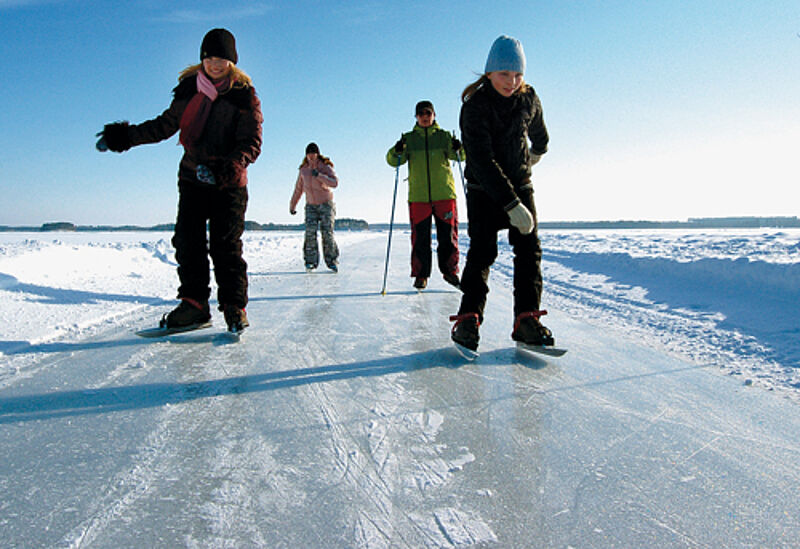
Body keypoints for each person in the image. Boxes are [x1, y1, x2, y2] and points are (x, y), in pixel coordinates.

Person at [96, 28, 262, 333]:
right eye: (209, 58)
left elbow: (251, 142)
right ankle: (195, 305)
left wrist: (228, 168)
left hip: (228, 183)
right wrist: (124, 137)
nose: (214, 64)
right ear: (202, 58)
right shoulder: (189, 90)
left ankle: (234, 307)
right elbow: (164, 126)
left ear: (231, 62)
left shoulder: (243, 95)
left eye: (221, 59)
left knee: (225, 246)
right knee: (188, 242)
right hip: (192, 178)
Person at [449, 35, 554, 352]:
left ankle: (527, 320)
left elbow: (542, 138)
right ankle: (468, 319)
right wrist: (511, 204)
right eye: (504, 74)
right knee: (482, 252)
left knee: (529, 251)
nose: (512, 82)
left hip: (521, 184)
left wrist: (533, 156)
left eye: (518, 74)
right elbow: (481, 161)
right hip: (484, 189)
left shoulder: (528, 98)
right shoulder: (475, 107)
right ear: (489, 73)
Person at [386, 101, 462, 290]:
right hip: (419, 197)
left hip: (444, 194)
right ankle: (421, 275)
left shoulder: (444, 137)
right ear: (416, 117)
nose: (425, 117)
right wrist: (397, 150)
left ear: (434, 115)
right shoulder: (409, 139)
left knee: (448, 236)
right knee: (420, 238)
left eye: (428, 113)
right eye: (421, 114)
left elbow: (461, 156)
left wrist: (458, 147)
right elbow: (393, 161)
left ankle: (450, 271)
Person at [290, 142, 340, 272]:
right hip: (311, 206)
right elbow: (298, 189)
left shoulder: (325, 166)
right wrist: (292, 205)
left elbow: (335, 183)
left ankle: (332, 261)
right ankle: (310, 262)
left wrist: (319, 176)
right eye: (309, 154)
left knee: (327, 233)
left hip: (326, 204)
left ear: (318, 154)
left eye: (313, 154)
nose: (311, 157)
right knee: (310, 233)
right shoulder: (303, 170)